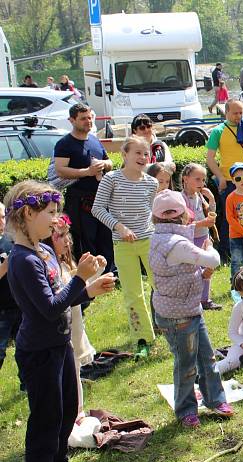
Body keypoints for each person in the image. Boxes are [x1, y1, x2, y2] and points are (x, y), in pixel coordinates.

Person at [6, 180, 115, 462]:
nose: (56, 220)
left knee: (68, 411)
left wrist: (90, 287)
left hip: (59, 345)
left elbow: (62, 299)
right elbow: (51, 307)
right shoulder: (22, 259)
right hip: (38, 353)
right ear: (28, 214)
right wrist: (80, 279)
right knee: (45, 423)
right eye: (50, 213)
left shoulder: (45, 251)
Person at [150, 190, 233, 428]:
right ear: (183, 216)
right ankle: (186, 410)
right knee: (186, 366)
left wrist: (200, 272)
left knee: (206, 358)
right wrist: (209, 249)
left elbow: (178, 273)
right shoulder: (176, 243)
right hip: (179, 316)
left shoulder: (162, 238)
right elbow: (214, 260)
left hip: (188, 309)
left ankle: (216, 401)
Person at [91, 136, 159, 358]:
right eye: (137, 153)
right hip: (123, 244)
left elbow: (150, 213)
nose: (142, 157)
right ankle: (143, 339)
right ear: (124, 155)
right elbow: (97, 208)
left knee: (160, 285)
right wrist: (119, 227)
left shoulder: (152, 183)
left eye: (145, 153)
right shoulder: (111, 179)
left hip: (149, 241)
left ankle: (172, 329)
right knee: (133, 293)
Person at [43, 215, 103, 419]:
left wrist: (97, 270)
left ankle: (78, 412)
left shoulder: (66, 265)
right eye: (61, 236)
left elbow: (80, 288)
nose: (67, 241)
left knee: (75, 371)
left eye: (67, 235)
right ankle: (71, 414)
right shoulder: (50, 269)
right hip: (61, 330)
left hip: (74, 326)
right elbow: (69, 294)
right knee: (66, 376)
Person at [54, 103, 115, 274]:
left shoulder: (94, 140)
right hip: (80, 200)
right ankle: (89, 274)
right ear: (71, 120)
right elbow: (60, 170)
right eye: (83, 118)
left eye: (89, 117)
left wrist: (105, 164)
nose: (88, 121)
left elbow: (110, 161)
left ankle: (109, 271)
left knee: (105, 235)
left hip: (101, 198)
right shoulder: (65, 143)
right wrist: (87, 172)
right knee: (86, 238)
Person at [206, 99, 243, 263]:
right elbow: (210, 158)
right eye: (235, 113)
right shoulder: (218, 131)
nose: (239, 116)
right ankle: (226, 252)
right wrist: (220, 177)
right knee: (228, 218)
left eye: (241, 112)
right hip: (228, 181)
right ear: (226, 113)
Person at [180, 163, 221, 310]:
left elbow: (210, 213)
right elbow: (184, 223)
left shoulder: (199, 196)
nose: (202, 183)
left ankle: (205, 300)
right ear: (185, 179)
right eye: (197, 179)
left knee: (208, 268)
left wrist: (211, 199)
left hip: (204, 237)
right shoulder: (181, 199)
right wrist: (203, 223)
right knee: (194, 271)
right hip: (191, 239)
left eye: (203, 180)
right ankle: (193, 299)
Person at [0, 201, 20, 371]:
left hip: (19, 303)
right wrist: (5, 265)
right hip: (2, 310)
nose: (2, 222)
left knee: (24, 347)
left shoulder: (10, 239)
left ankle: (26, 384)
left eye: (3, 217)